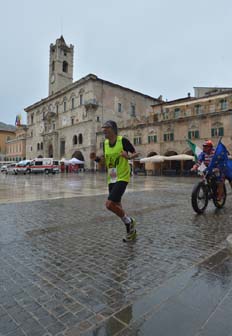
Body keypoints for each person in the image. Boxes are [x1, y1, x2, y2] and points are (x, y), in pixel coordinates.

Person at [92, 120, 139, 242]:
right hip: (111, 177)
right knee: (118, 206)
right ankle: (131, 233)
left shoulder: (122, 141)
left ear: (112, 128)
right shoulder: (105, 144)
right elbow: (104, 162)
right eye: (103, 129)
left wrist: (127, 156)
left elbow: (136, 153)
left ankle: (130, 222)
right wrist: (96, 159)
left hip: (122, 176)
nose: (104, 131)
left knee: (109, 204)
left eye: (106, 128)